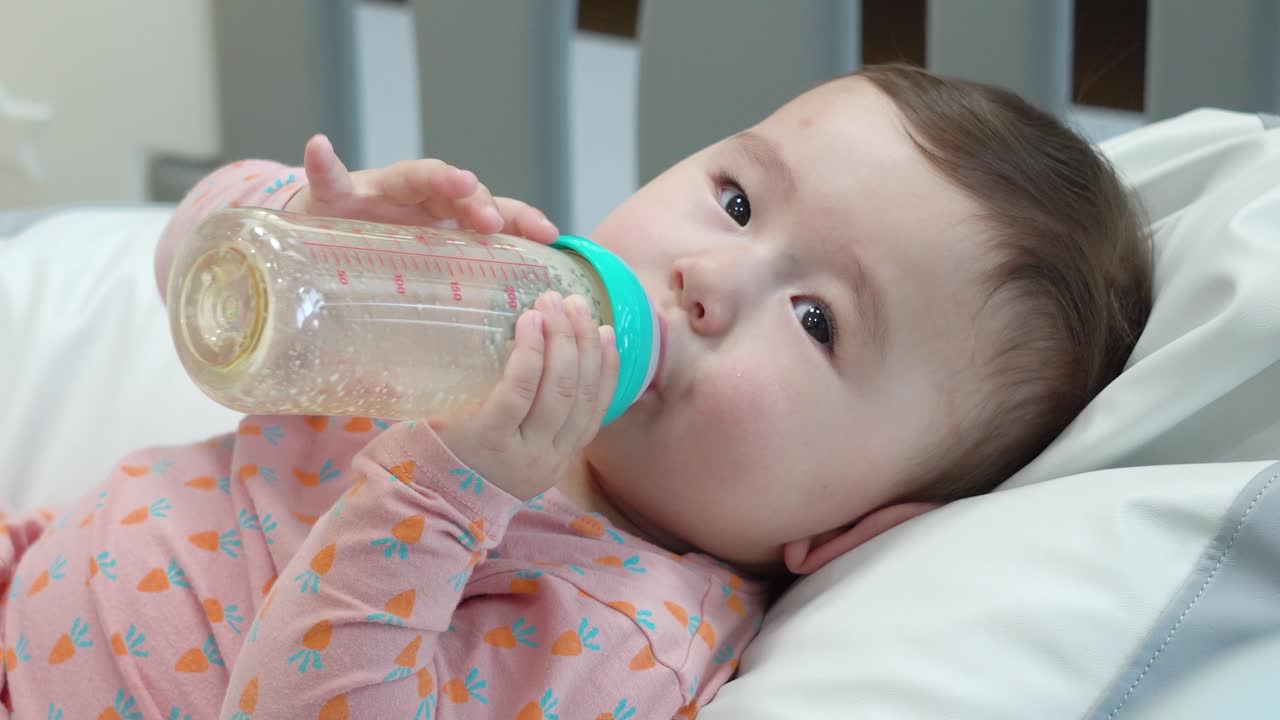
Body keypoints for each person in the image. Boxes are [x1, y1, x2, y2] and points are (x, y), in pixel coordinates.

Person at [0, 63, 1152, 718]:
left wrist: (441, 499)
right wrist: (309, 229)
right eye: (740, 201)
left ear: (848, 529)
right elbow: (191, 270)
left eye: (817, 321)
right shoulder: (484, 296)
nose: (710, 279)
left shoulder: (631, 635)